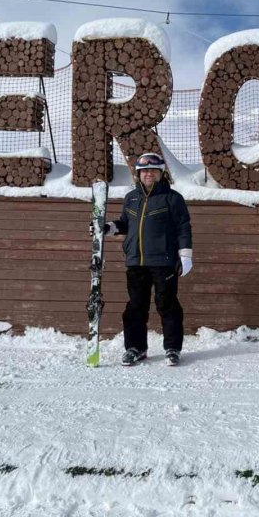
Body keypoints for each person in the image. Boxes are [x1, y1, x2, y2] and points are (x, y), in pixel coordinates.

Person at [93, 153, 193, 367]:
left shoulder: (172, 198)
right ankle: (135, 348)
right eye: (145, 171)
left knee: (167, 305)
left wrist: (185, 254)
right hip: (135, 261)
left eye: (153, 170)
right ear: (139, 174)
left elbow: (183, 227)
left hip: (163, 261)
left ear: (161, 173)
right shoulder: (132, 198)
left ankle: (172, 348)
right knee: (135, 307)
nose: (149, 174)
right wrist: (108, 228)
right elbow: (126, 223)